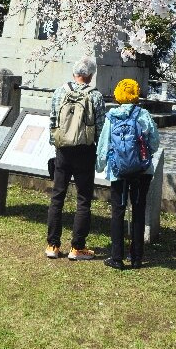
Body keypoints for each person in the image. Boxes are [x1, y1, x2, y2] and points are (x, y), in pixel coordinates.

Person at [45, 56, 105, 260]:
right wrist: (99, 150)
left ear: (74, 73)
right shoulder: (95, 96)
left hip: (63, 150)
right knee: (83, 199)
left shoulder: (60, 91)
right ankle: (77, 247)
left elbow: (53, 120)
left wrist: (56, 145)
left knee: (57, 196)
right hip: (85, 150)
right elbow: (100, 127)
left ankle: (53, 245)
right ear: (91, 75)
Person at [96, 78, 159, 270]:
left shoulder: (111, 117)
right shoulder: (144, 114)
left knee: (118, 210)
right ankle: (137, 257)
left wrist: (100, 166)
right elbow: (155, 143)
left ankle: (117, 258)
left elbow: (103, 145)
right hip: (142, 170)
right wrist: (143, 155)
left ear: (118, 95)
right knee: (138, 210)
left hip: (118, 170)